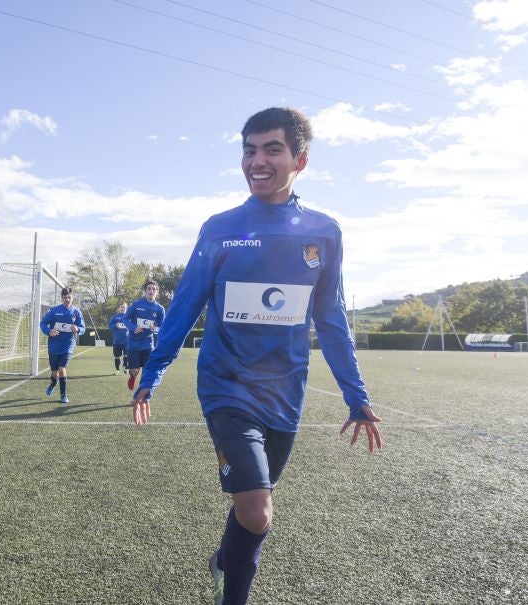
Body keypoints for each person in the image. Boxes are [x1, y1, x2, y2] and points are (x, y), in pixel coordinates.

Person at [131, 107, 382, 605]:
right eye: (249, 150)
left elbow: (330, 321)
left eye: (272, 150)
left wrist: (357, 396)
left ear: (300, 160)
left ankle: (225, 559)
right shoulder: (221, 228)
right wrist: (152, 372)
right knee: (257, 512)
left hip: (285, 394)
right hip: (226, 387)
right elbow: (184, 306)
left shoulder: (323, 232)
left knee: (255, 500)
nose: (257, 161)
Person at [40, 287, 85, 405]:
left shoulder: (76, 312)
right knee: (54, 372)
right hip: (54, 346)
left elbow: (83, 328)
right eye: (65, 297)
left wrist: (78, 328)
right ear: (62, 298)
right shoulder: (54, 311)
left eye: (69, 297)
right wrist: (49, 331)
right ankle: (53, 383)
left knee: (62, 369)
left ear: (72, 298)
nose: (67, 299)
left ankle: (63, 395)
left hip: (68, 345)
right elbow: (43, 323)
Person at [123, 281, 165, 391]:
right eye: (149, 289)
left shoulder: (160, 309)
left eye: (154, 289)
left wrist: (154, 329)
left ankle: (141, 394)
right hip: (134, 344)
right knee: (135, 370)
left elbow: (161, 328)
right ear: (145, 291)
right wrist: (133, 327)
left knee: (147, 371)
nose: (151, 291)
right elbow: (125, 319)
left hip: (148, 345)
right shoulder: (136, 305)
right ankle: (132, 376)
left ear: (157, 292)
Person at [107, 302, 130, 375]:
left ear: (126, 308)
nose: (123, 308)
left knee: (127, 355)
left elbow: (133, 326)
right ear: (119, 308)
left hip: (126, 340)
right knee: (117, 357)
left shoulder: (129, 317)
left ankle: (125, 367)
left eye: (124, 307)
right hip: (117, 341)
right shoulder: (115, 317)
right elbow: (110, 326)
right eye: (121, 307)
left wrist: (128, 327)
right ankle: (117, 370)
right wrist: (115, 325)